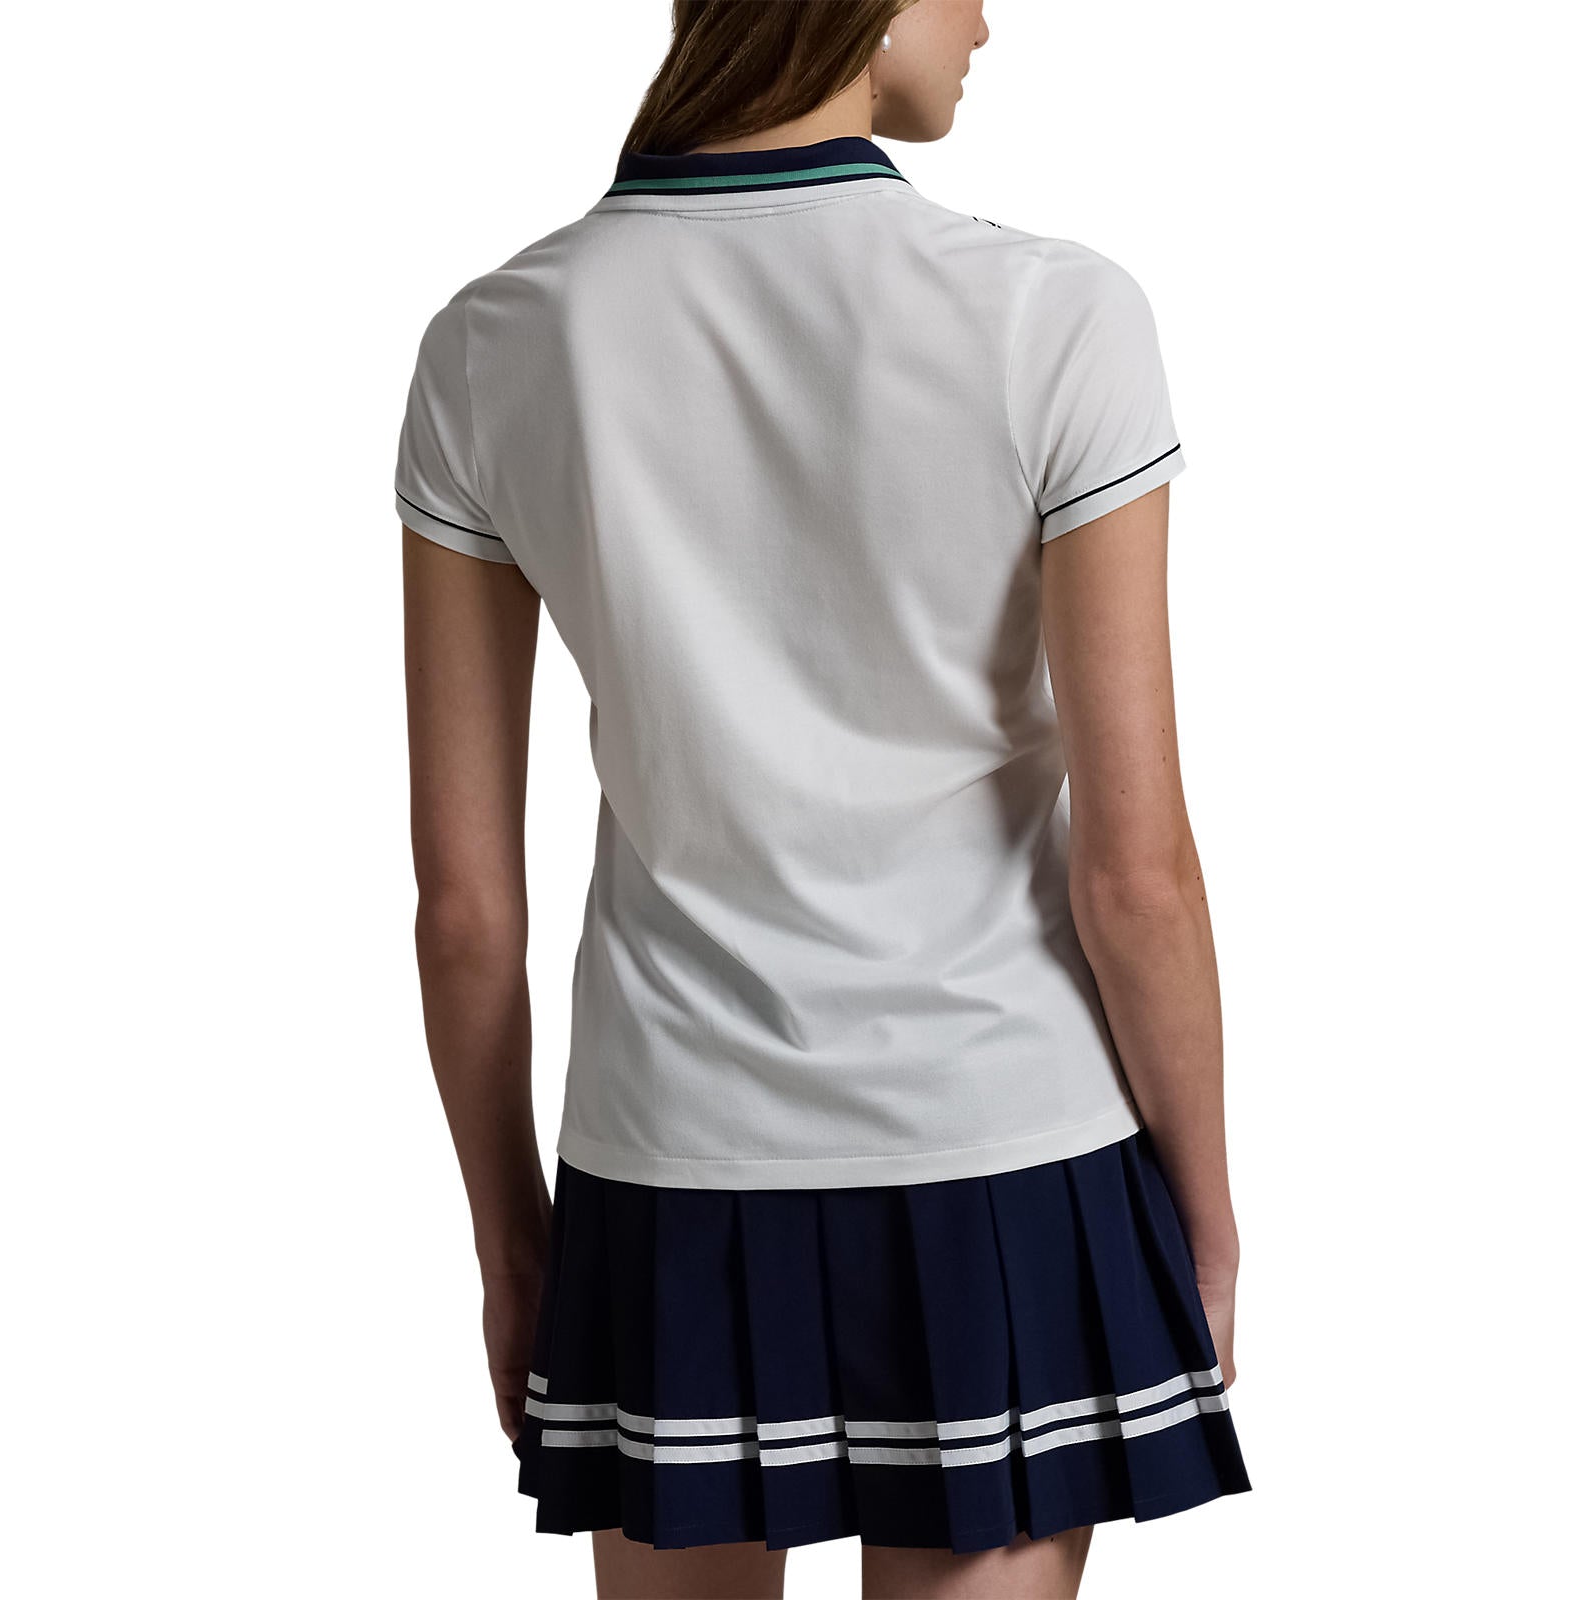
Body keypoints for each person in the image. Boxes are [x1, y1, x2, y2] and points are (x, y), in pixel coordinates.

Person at [395, 2, 1251, 1595]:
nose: (987, 20)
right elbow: (1138, 876)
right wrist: (1204, 1216)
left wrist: (512, 1247)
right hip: (1006, 1150)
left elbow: (463, 910)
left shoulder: (493, 341)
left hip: (667, 1164)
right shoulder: (1054, 316)